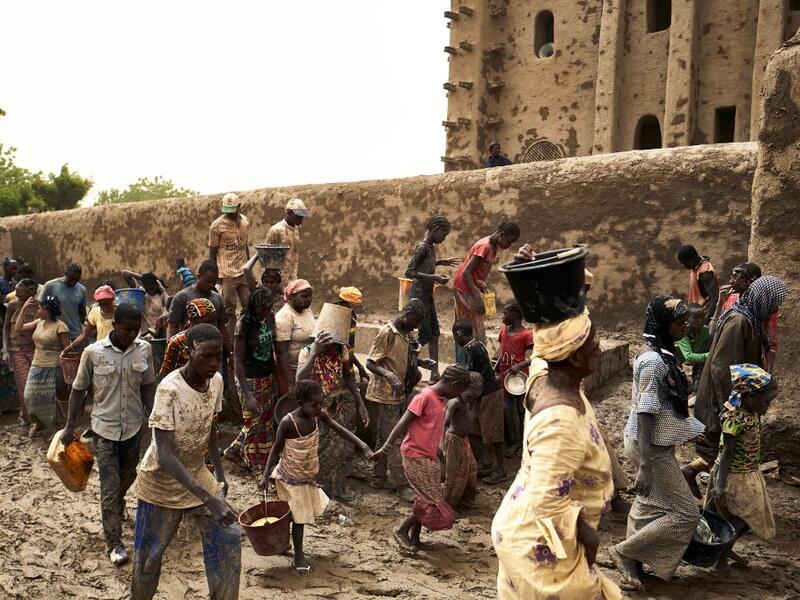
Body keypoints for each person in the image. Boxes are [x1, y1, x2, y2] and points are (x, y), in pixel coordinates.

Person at [492, 312, 620, 600]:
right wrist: (589, 537)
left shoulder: (545, 375)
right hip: (539, 544)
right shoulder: (561, 423)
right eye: (592, 342)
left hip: (526, 524)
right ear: (574, 359)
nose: (599, 347)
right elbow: (547, 502)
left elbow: (543, 348)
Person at [130, 324, 240, 600]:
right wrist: (210, 498)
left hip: (195, 472)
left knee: (228, 535)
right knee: (148, 559)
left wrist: (219, 474)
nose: (213, 363)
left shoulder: (216, 381)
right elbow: (165, 455)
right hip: (160, 482)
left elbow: (210, 427)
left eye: (218, 356)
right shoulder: (170, 390)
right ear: (189, 352)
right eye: (205, 356)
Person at [611, 296, 705, 591]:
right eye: (679, 323)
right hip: (649, 447)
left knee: (648, 504)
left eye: (686, 322)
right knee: (686, 513)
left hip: (651, 443)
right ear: (663, 324)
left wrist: (689, 428)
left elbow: (664, 407)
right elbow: (646, 411)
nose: (685, 328)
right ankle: (626, 553)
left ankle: (634, 562)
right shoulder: (653, 362)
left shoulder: (662, 352)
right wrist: (645, 465)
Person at [61, 304, 156, 566]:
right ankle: (114, 544)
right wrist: (69, 426)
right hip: (104, 431)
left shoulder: (144, 349)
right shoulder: (93, 353)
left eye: (136, 330)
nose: (132, 335)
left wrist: (155, 417)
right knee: (109, 487)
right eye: (127, 330)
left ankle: (117, 503)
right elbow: (78, 390)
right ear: (115, 326)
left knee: (129, 475)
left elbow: (148, 385)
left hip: (133, 429)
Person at [685, 275, 788, 497]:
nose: (775, 308)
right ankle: (712, 494)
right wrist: (730, 405)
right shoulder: (739, 321)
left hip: (734, 393)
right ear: (763, 299)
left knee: (722, 449)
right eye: (773, 302)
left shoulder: (749, 319)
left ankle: (703, 483)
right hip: (723, 395)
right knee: (721, 447)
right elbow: (722, 367)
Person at [259, 379, 373, 572]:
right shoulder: (288, 422)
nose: (319, 408)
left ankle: (283, 542)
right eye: (314, 405)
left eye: (321, 403)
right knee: (299, 518)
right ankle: (298, 556)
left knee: (293, 514)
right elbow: (276, 448)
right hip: (289, 477)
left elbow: (339, 428)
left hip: (306, 476)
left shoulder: (319, 415)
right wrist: (265, 475)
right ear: (300, 402)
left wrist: (362, 445)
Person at [375, 364, 471, 551]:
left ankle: (415, 537)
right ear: (454, 384)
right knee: (429, 500)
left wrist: (438, 448)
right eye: (459, 391)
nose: (458, 396)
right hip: (414, 455)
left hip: (429, 456)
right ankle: (401, 529)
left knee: (424, 498)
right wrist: (385, 448)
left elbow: (434, 426)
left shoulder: (440, 399)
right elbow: (401, 423)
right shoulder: (424, 397)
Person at [705, 364, 777, 568]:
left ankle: (723, 550)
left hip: (748, 473)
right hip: (734, 476)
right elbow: (727, 452)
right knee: (745, 518)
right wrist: (720, 485)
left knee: (739, 518)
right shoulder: (734, 418)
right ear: (751, 396)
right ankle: (720, 556)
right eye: (766, 401)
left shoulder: (750, 413)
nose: (768, 406)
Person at [296, 331, 369, 500]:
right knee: (317, 452)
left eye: (335, 345)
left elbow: (348, 376)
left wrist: (360, 403)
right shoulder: (307, 351)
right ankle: (319, 493)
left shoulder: (341, 350)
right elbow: (299, 380)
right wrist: (314, 353)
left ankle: (336, 491)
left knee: (338, 452)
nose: (332, 349)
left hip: (335, 407)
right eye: (328, 345)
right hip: (314, 411)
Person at [365, 299, 426, 495]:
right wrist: (389, 376)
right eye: (415, 321)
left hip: (397, 394)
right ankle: (402, 485)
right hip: (384, 394)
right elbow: (370, 363)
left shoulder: (407, 334)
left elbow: (400, 357)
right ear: (406, 314)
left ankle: (378, 477)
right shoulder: (387, 333)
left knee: (384, 436)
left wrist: (421, 363)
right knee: (395, 439)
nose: (416, 326)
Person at [222, 288, 277, 471]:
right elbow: (238, 361)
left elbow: (273, 349)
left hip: (267, 377)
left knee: (265, 421)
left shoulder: (270, 318)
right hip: (249, 380)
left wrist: (275, 378)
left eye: (268, 307)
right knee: (252, 422)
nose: (265, 311)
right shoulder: (243, 325)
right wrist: (247, 395)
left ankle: (241, 452)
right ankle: (255, 463)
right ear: (253, 306)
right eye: (262, 308)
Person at [452, 221, 520, 359]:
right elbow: (466, 272)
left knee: (475, 329)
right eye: (510, 241)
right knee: (467, 330)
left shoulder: (492, 246)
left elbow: (474, 271)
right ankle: (463, 364)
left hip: (471, 288)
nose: (509, 245)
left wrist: (479, 282)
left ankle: (471, 362)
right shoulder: (484, 246)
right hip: (464, 289)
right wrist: (477, 296)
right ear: (502, 235)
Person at [404, 214, 458, 382]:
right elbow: (410, 271)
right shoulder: (422, 247)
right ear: (435, 229)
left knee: (434, 334)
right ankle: (406, 362)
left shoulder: (429, 247)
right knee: (425, 334)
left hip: (427, 294)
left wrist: (440, 262)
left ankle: (434, 373)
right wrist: (434, 277)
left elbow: (424, 265)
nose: (444, 238)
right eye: (444, 234)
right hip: (419, 296)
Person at [453, 319, 506, 485]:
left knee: (493, 432)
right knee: (473, 428)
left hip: (489, 394)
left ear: (459, 334)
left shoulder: (471, 348)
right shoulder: (478, 345)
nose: (456, 340)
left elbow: (470, 375)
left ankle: (501, 470)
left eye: (455, 336)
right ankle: (486, 462)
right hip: (481, 394)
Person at [15, 295, 70, 436]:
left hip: (54, 366)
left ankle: (58, 426)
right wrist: (24, 309)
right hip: (37, 365)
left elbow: (67, 350)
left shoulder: (60, 326)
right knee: (29, 396)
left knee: (52, 397)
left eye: (39, 308)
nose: (37, 310)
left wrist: (64, 369)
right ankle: (37, 422)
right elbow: (18, 328)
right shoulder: (38, 322)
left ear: (47, 310)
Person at [714, 262, 780, 372]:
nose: (730, 281)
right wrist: (720, 304)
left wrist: (769, 371)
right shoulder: (730, 300)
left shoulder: (766, 306)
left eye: (735, 277)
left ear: (750, 282)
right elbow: (715, 331)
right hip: (726, 358)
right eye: (731, 277)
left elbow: (770, 342)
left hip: (750, 359)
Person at [167, 260, 230, 358]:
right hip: (191, 351)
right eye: (208, 281)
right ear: (199, 276)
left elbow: (222, 326)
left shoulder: (217, 298)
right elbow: (173, 326)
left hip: (213, 351)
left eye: (214, 282)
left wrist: (230, 352)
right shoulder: (181, 297)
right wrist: (172, 352)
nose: (211, 285)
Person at [209, 192, 251, 336]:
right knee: (229, 309)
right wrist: (214, 274)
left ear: (239, 207)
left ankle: (246, 334)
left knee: (249, 305)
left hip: (243, 271)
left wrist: (249, 268)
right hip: (227, 273)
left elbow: (245, 246)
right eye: (227, 211)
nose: (229, 214)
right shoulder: (216, 226)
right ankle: (231, 339)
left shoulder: (245, 222)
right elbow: (212, 252)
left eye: (232, 211)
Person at [495, 300, 533, 455]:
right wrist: (495, 369)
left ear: (516, 315)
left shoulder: (526, 335)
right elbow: (501, 351)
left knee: (521, 409)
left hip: (519, 379)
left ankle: (522, 442)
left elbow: (533, 358)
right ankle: (514, 440)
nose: (503, 317)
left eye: (505, 313)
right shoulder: (504, 329)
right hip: (506, 378)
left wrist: (519, 366)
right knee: (507, 408)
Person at [443, 371, 482, 509]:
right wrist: (441, 443)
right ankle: (449, 504)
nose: (471, 399)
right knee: (455, 474)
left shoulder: (466, 400)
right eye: (470, 396)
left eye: (474, 397)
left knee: (471, 469)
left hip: (464, 440)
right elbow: (444, 422)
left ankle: (466, 499)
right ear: (461, 388)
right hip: (454, 441)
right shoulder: (455, 402)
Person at [3, 279, 38, 425]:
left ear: (31, 291)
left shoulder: (38, 306)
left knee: (36, 384)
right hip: (16, 350)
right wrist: (6, 350)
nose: (16, 293)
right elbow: (6, 329)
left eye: (19, 291)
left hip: (34, 349)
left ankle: (35, 415)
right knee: (24, 384)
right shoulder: (13, 305)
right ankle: (27, 417)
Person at [274, 279, 315, 395]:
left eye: (310, 296)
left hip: (305, 366)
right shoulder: (285, 316)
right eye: (304, 296)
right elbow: (281, 352)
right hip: (291, 370)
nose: (309, 299)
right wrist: (290, 382)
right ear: (291, 297)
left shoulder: (307, 310)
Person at [159, 299, 218, 376]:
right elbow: (166, 373)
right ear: (193, 321)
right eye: (207, 321)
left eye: (213, 321)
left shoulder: (212, 339)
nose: (212, 325)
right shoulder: (177, 341)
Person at [39, 263, 89, 343]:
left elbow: (82, 311)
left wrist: (81, 326)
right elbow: (41, 307)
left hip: (74, 334)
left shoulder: (82, 290)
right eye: (71, 279)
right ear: (65, 273)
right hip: (53, 334)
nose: (73, 282)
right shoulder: (50, 286)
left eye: (76, 280)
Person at [264, 198, 309, 282]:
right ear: (289, 212)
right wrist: (273, 281)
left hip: (292, 277)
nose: (301, 218)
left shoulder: (295, 230)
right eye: (298, 216)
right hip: (278, 279)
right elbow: (267, 257)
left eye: (302, 216)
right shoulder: (276, 230)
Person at [62, 285, 116, 353]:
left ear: (113, 299)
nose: (105, 307)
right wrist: (67, 349)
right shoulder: (95, 312)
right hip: (101, 351)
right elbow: (84, 335)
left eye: (108, 304)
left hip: (117, 351)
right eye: (101, 304)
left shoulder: (121, 312)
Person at [676, 244, 719, 324]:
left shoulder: (705, 273)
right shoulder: (696, 267)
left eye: (685, 263)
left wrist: (706, 321)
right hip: (695, 315)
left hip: (701, 317)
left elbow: (715, 297)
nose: (683, 266)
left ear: (693, 258)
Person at [336, 286, 369, 381]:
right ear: (343, 302)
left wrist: (359, 366)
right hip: (335, 361)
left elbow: (349, 349)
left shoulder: (351, 316)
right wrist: (359, 366)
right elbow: (343, 349)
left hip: (346, 359)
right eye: (354, 305)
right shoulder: (335, 315)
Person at [675, 303, 710, 392]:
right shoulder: (682, 332)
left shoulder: (705, 331)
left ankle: (697, 388)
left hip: (691, 360)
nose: (700, 321)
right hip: (675, 360)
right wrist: (710, 355)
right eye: (695, 318)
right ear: (687, 319)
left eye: (702, 317)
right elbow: (688, 356)